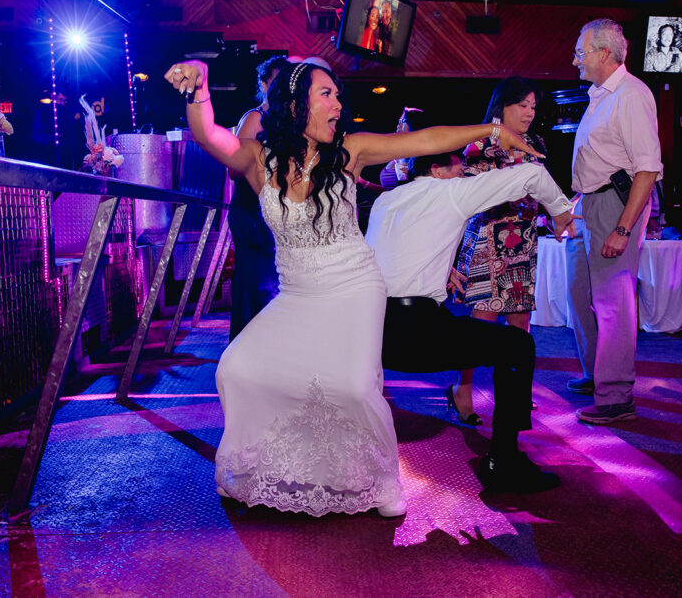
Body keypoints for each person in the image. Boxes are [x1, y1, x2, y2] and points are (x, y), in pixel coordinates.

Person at [164, 59, 540, 517]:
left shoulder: (349, 153)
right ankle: (279, 464)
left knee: (354, 388)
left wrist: (493, 130)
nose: (339, 105)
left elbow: (426, 139)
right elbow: (208, 135)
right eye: (328, 95)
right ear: (297, 104)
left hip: (355, 287)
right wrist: (198, 88)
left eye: (338, 96)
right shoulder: (258, 160)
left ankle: (380, 484)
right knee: (236, 367)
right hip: (298, 295)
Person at [366, 151, 577, 491]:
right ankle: (504, 462)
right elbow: (532, 175)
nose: (463, 175)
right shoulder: (451, 191)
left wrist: (440, 268)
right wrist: (561, 210)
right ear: (437, 170)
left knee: (488, 338)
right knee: (518, 345)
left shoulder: (387, 201)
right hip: (417, 334)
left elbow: (389, 253)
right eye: (457, 168)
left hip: (372, 331)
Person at [564, 18, 663, 424]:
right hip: (591, 204)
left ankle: (616, 396)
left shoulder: (631, 94)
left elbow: (647, 169)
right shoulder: (600, 95)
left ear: (604, 53)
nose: (575, 61)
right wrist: (575, 205)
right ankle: (598, 375)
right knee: (578, 294)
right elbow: (599, 162)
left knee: (612, 303)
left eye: (580, 52)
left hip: (615, 207)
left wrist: (623, 228)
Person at [452, 77, 548, 425]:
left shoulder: (534, 142)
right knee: (483, 327)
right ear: (502, 106)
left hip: (523, 241)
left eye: (533, 106)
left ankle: (515, 392)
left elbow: (543, 188)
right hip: (488, 240)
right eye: (522, 105)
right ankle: (462, 387)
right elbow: (472, 194)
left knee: (520, 325)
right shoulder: (480, 143)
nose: (529, 112)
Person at [228, 55, 290, 340]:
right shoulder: (255, 117)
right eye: (277, 81)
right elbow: (233, 168)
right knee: (255, 284)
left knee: (275, 283)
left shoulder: (285, 121)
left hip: (273, 211)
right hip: (250, 212)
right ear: (264, 84)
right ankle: (249, 350)